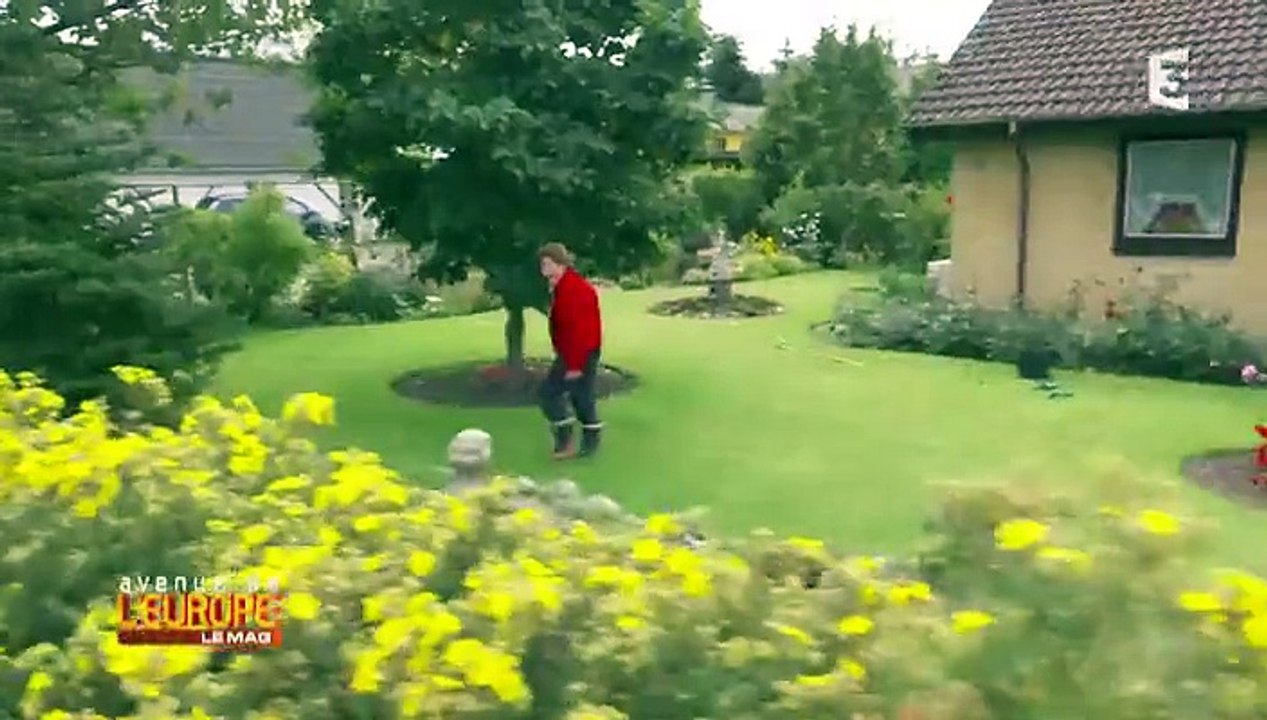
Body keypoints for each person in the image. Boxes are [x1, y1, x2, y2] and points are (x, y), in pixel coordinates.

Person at [537, 242, 603, 458]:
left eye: (546, 263)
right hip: (572, 352)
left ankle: (572, 442)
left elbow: (580, 329)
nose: (542, 268)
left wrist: (575, 365)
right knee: (578, 396)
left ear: (560, 263)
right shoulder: (561, 286)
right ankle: (577, 443)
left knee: (555, 394)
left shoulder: (576, 289)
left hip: (581, 352)